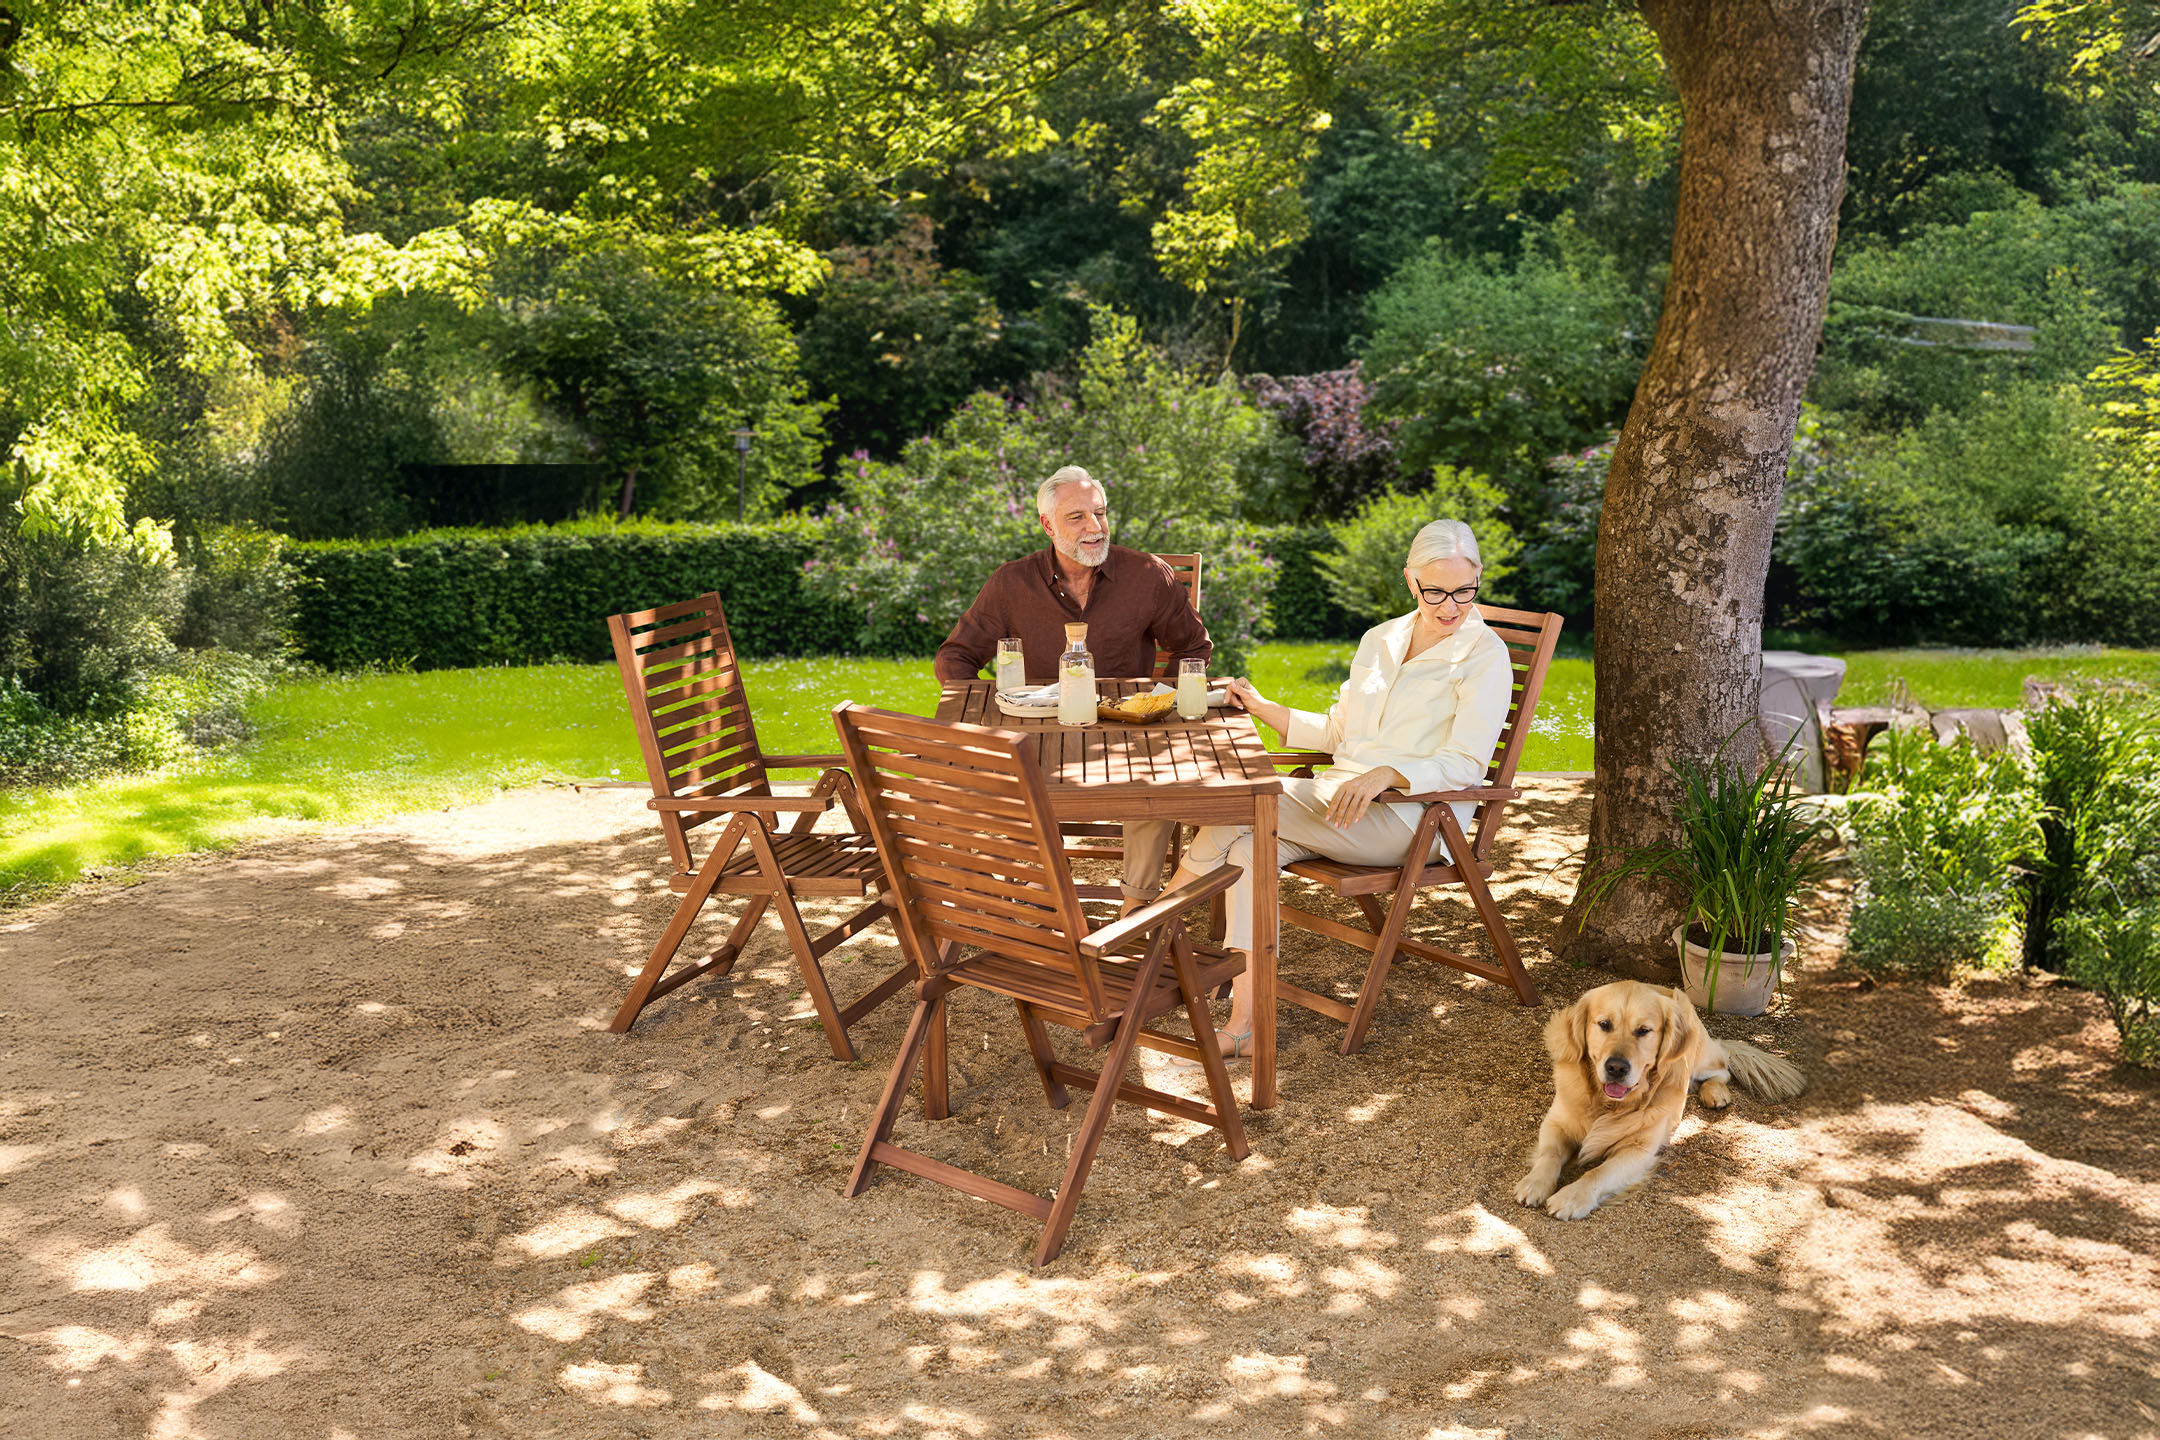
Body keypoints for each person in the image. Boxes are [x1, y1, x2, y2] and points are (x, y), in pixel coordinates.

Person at [1163, 518, 1512, 1057]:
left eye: (1464, 590)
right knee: (1252, 846)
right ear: (1410, 581)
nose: (1451, 606)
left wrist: (1390, 774)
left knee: (1244, 801)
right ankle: (1245, 1023)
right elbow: (1338, 732)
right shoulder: (1381, 639)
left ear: (1478, 580)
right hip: (1337, 805)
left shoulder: (1484, 656)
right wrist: (1263, 708)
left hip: (1409, 821)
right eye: (1436, 591)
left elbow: (1467, 762)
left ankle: (1146, 929)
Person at [936, 465, 1212, 910]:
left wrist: (1159, 704)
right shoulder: (1011, 583)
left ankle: (1137, 906)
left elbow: (1193, 647)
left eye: (1100, 514)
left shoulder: (1147, 574)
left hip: (1126, 731)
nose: (1095, 528)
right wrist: (998, 711)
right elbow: (956, 657)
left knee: (1160, 782)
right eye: (1077, 517)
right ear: (1047, 525)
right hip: (1040, 732)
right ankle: (1038, 901)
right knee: (1009, 786)